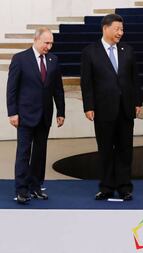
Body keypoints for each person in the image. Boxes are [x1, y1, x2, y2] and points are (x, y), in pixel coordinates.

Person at [80, 14, 143, 201]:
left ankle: (124, 187)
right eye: (117, 29)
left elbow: (135, 79)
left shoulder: (128, 50)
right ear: (105, 28)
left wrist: (138, 102)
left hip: (126, 108)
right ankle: (106, 186)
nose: (120, 33)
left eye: (122, 29)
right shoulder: (90, 51)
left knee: (125, 149)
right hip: (102, 109)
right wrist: (88, 106)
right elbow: (87, 82)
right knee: (106, 149)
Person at [6, 27, 65, 204]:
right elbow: (12, 89)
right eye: (46, 43)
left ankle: (36, 187)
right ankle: (22, 190)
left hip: (45, 116)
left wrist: (60, 112)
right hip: (24, 115)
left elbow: (58, 89)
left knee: (40, 153)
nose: (49, 46)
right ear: (36, 40)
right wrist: (12, 113)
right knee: (24, 153)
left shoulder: (53, 60)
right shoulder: (20, 59)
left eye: (51, 43)